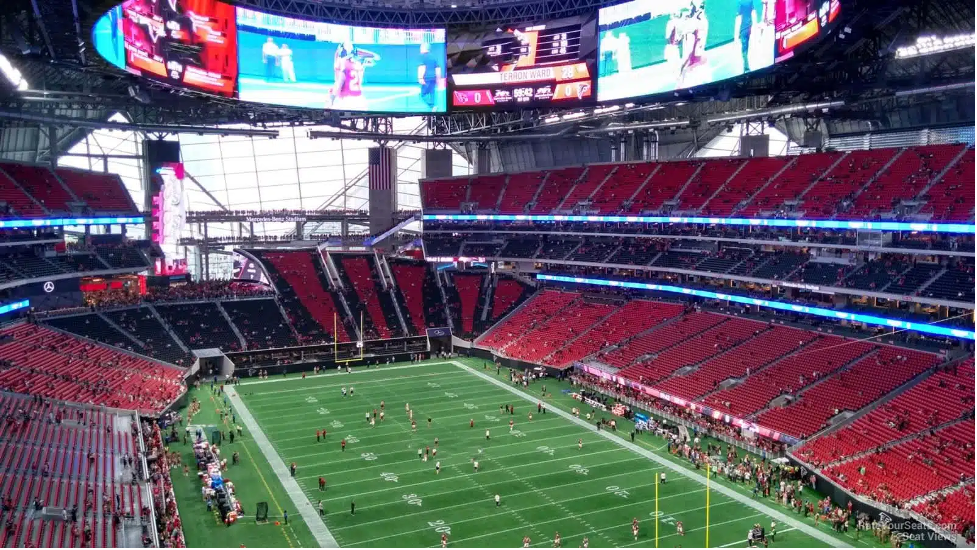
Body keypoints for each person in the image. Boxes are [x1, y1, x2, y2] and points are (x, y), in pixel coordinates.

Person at [417, 42, 442, 111]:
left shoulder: (422, 56)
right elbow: (438, 68)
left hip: (426, 78)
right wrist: (438, 79)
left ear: (423, 48)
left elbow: (422, 67)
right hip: (433, 78)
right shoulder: (434, 57)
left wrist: (420, 77)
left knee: (422, 95)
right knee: (432, 92)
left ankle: (432, 105)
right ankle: (434, 105)